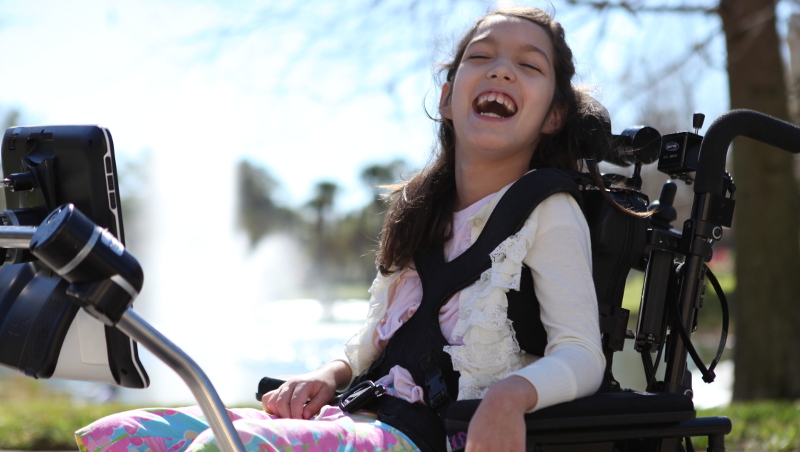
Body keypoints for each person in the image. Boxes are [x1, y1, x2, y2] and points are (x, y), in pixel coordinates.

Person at [75, 6, 606, 452]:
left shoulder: (548, 209)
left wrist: (509, 397)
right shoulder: (425, 211)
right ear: (447, 98)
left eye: (528, 65)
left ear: (554, 115)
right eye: (481, 57)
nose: (502, 72)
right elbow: (376, 341)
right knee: (123, 433)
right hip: (365, 414)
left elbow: (582, 355)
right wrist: (328, 376)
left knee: (220, 447)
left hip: (434, 435)